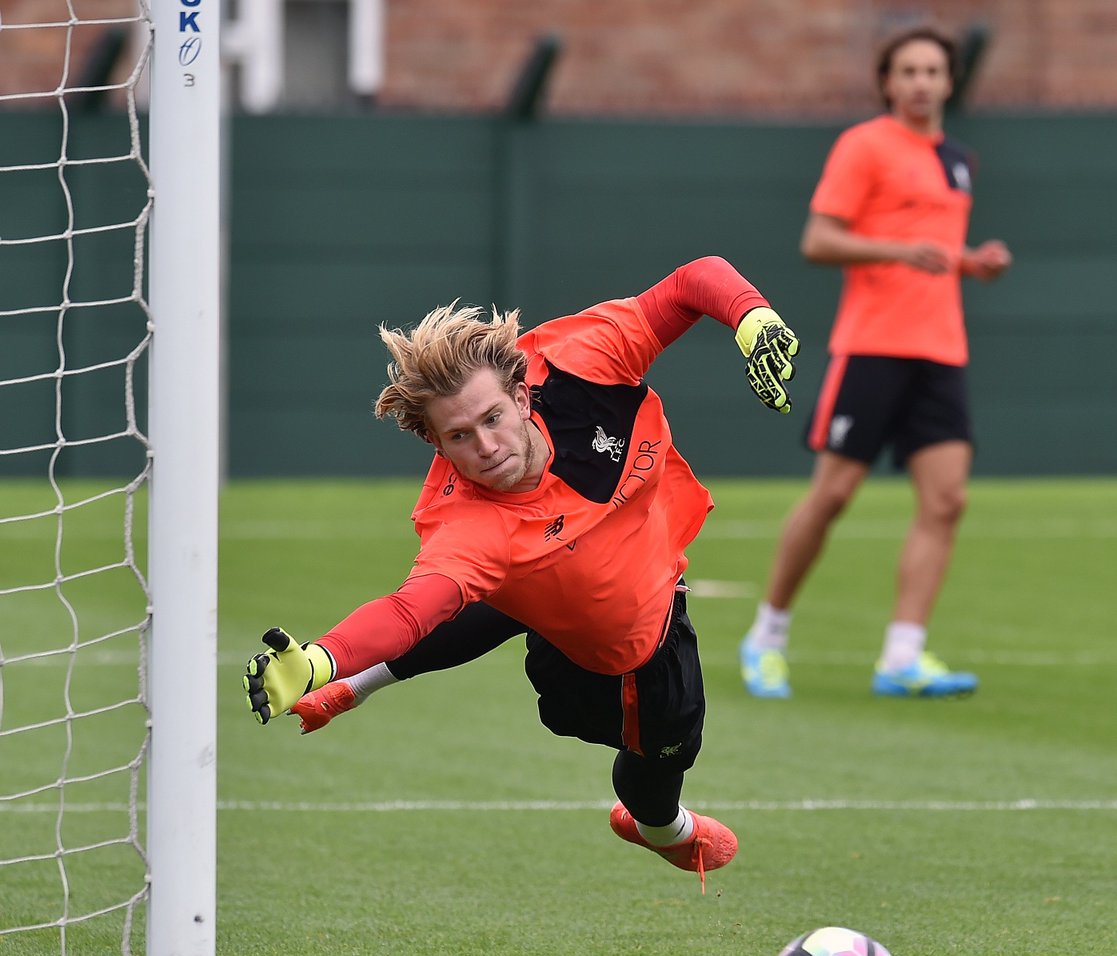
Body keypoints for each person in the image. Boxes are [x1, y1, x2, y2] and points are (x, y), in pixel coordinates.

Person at [243, 257, 799, 891]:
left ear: (522, 392)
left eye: (492, 419)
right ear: (435, 443)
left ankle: (648, 820)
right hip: (607, 657)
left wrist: (750, 314)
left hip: (641, 580)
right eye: (458, 436)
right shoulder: (470, 527)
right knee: (653, 760)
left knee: (517, 597)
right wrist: (320, 660)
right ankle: (666, 830)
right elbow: (410, 611)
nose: (485, 447)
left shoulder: (581, 359)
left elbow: (693, 282)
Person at [739, 26, 1012, 700]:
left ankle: (902, 656)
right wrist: (895, 250)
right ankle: (765, 636)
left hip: (940, 350)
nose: (920, 82)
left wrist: (970, 263)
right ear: (886, 82)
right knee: (832, 494)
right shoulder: (862, 146)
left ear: (949, 82)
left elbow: (934, 250)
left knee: (945, 502)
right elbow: (818, 240)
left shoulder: (956, 160)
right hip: (870, 347)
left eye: (932, 71)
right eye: (907, 71)